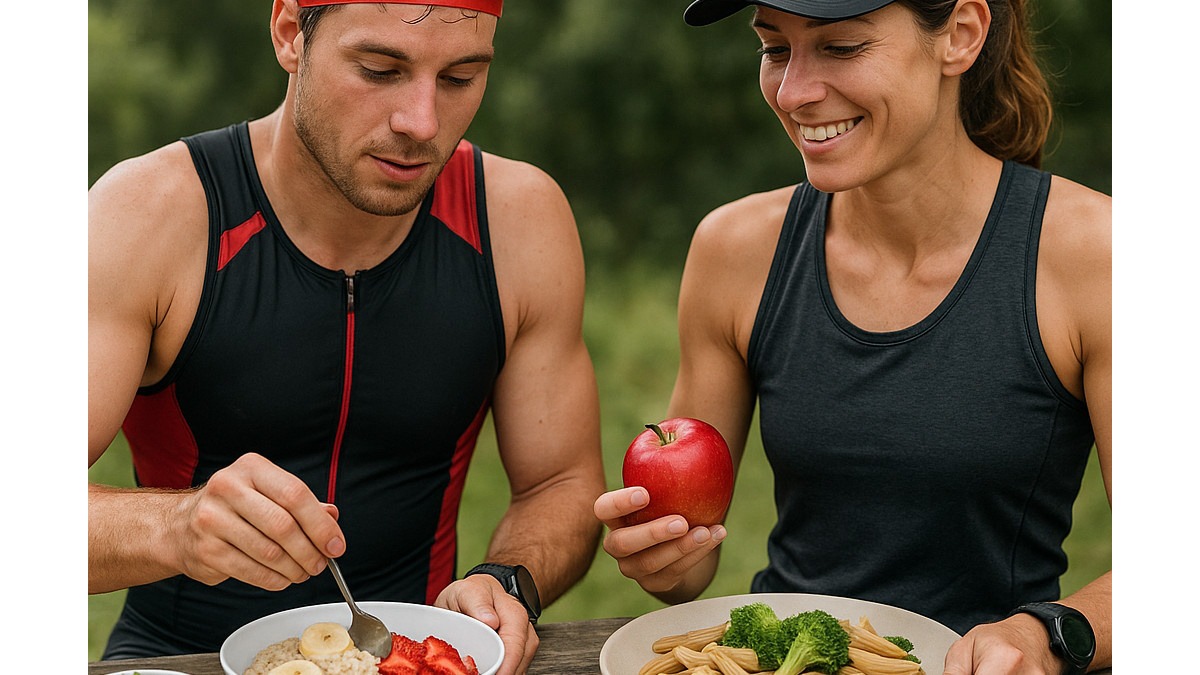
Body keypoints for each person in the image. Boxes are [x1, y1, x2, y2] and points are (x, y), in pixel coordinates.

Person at [593, 0, 1111, 672]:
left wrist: (1043, 636)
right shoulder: (733, 249)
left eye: (840, 48)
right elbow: (691, 561)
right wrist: (665, 556)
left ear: (960, 36)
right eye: (776, 48)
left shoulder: (1096, 255)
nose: (794, 90)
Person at [87, 1, 606, 672]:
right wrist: (177, 527)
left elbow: (560, 482)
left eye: (459, 79)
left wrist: (509, 578)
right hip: (180, 657)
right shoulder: (146, 213)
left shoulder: (518, 217)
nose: (421, 122)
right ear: (288, 34)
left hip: (410, 659)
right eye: (379, 69)